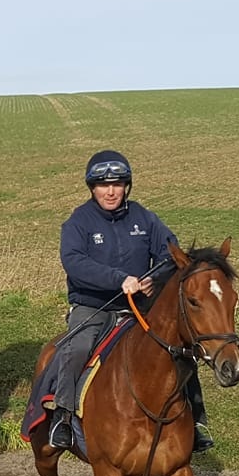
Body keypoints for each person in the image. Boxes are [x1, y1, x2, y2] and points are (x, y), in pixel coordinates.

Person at [49, 149, 213, 453]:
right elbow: (74, 261)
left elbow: (170, 251)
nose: (111, 192)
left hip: (140, 307)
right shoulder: (78, 222)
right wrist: (118, 279)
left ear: (127, 186)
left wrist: (155, 278)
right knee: (77, 347)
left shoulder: (143, 217)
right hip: (94, 306)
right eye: (103, 185)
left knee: (181, 349)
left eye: (118, 184)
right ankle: (63, 416)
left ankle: (196, 421)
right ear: (92, 188)